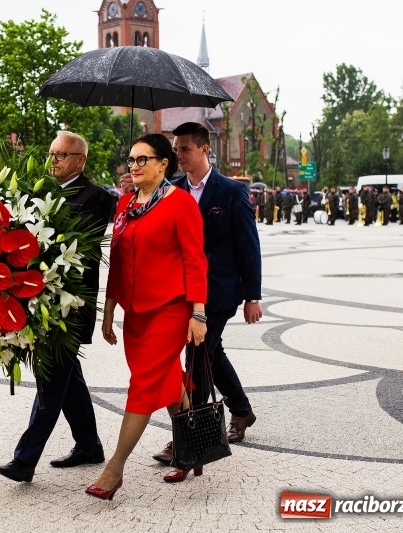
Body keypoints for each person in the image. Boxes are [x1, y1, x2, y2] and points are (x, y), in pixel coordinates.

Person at [86, 133, 207, 500]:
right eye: (131, 160)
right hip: (134, 313)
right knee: (168, 381)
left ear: (163, 164)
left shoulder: (181, 204)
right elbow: (118, 262)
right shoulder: (125, 205)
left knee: (142, 385)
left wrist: (198, 313)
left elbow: (195, 260)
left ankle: (114, 470)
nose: (134, 166)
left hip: (170, 310)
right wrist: (108, 313)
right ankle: (194, 451)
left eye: (143, 159)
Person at [0, 131, 114, 484]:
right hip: (40, 298)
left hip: (71, 302)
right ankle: (89, 445)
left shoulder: (98, 197)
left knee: (52, 377)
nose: (53, 160)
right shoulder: (40, 192)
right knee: (67, 377)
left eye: (61, 155)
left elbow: (80, 242)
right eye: (51, 154)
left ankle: (25, 459)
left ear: (80, 159)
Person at [150, 122, 263, 473]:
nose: (177, 155)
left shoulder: (230, 191)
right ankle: (241, 410)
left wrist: (252, 296)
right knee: (211, 352)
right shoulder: (170, 190)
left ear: (204, 149)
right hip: (181, 291)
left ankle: (189, 438)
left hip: (218, 292)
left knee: (197, 356)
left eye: (184, 149)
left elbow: (249, 246)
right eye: (175, 148)